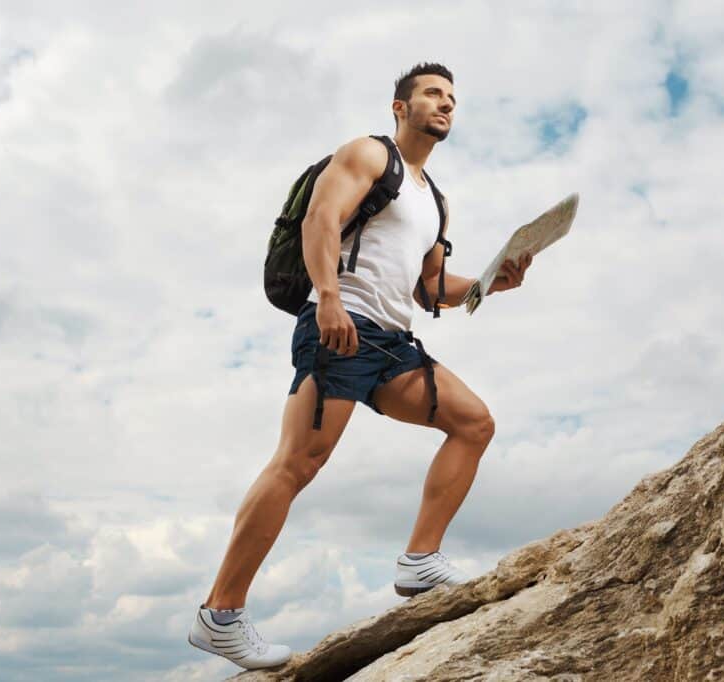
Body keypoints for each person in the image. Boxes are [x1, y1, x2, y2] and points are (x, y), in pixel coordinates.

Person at [188, 62, 534, 670]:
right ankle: (221, 614)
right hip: (341, 326)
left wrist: (488, 284)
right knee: (298, 463)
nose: (445, 104)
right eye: (432, 93)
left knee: (474, 423)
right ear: (400, 107)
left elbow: (429, 290)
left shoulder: (437, 203)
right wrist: (327, 297)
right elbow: (321, 220)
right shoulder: (370, 155)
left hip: (393, 345)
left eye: (452, 97)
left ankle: (420, 562)